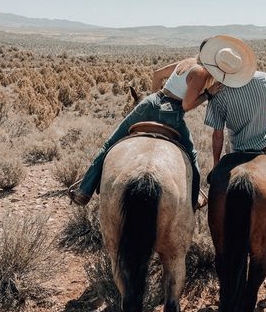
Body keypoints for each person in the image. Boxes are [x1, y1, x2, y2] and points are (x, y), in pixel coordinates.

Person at [68, 41, 219, 210]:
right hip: (173, 112)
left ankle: (84, 190)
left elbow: (157, 74)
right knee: (191, 154)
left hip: (151, 102)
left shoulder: (187, 62)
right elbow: (186, 105)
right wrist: (208, 94)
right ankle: (193, 200)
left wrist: (157, 100)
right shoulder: (201, 72)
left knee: (110, 144)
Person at [202, 35, 266, 225]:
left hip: (237, 148)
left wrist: (217, 164)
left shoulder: (217, 96)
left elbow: (218, 136)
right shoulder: (263, 79)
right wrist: (264, 130)